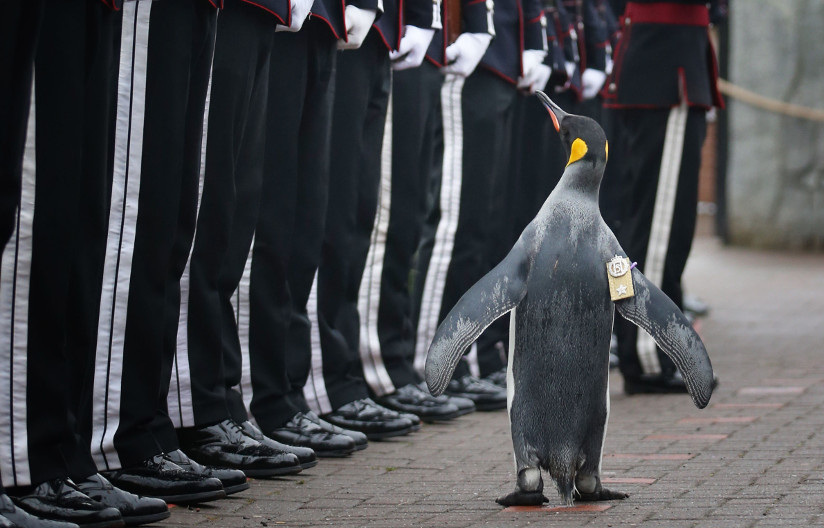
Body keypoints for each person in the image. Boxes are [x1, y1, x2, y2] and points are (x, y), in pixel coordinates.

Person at [410, 0, 547, 410]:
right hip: (473, 54)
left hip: (503, 56)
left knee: (492, 224)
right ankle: (434, 358)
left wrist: (535, 38)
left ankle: (474, 353)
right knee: (458, 220)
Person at [601, 0, 723, 393]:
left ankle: (649, 351)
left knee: (661, 228)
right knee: (656, 234)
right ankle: (645, 353)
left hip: (670, 64)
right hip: (666, 71)